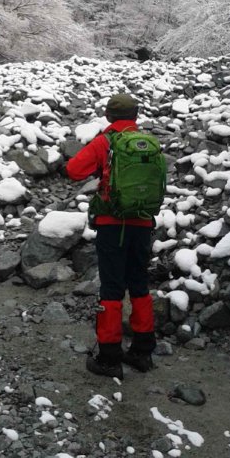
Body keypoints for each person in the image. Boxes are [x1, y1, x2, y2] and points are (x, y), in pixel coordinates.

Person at [66, 93, 161, 379]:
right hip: (143, 222)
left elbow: (72, 170)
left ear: (109, 116)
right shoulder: (148, 143)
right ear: (135, 115)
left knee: (112, 288)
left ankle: (109, 356)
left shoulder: (104, 141)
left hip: (112, 224)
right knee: (140, 284)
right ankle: (143, 351)